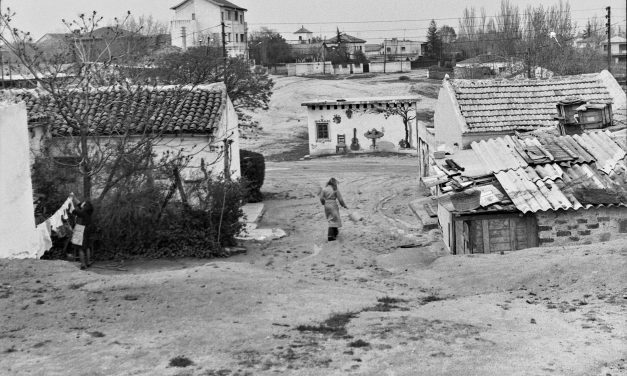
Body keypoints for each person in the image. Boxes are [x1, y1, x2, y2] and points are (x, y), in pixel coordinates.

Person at [70, 193, 94, 269]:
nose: (81, 205)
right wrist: (73, 197)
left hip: (81, 229)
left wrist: (70, 204)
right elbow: (79, 203)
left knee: (80, 248)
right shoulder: (88, 210)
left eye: (83, 204)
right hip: (88, 229)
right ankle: (88, 262)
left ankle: (83, 264)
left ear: (85, 206)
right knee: (87, 247)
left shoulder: (83, 212)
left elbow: (75, 212)